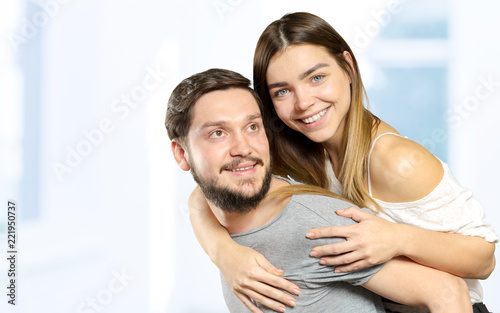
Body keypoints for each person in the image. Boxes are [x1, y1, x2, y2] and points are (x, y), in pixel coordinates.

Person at [187, 12, 498, 313]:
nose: (304, 102)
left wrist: (399, 238)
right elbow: (208, 190)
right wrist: (224, 253)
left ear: (348, 68)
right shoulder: (298, 146)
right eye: (283, 91)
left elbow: (484, 259)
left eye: (317, 78)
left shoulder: (396, 161)